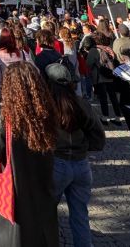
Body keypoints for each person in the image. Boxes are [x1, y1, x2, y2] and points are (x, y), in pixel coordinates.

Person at [0, 62, 59, 247]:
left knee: (15, 234)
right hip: (43, 181)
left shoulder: (6, 116)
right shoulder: (47, 111)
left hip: (16, 186)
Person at [46, 62, 105, 247]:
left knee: (46, 213)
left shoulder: (46, 106)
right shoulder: (81, 104)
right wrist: (83, 148)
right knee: (80, 216)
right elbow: (98, 135)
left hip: (56, 163)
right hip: (81, 164)